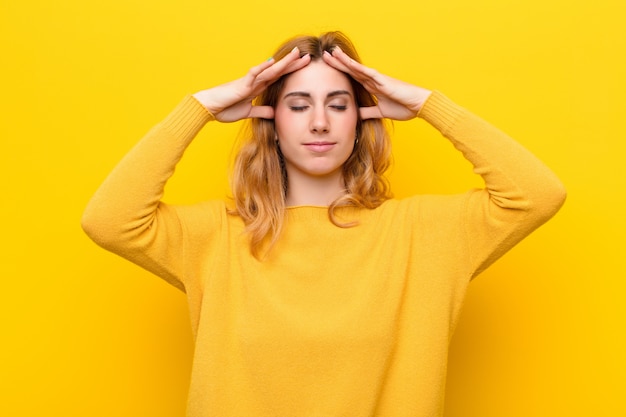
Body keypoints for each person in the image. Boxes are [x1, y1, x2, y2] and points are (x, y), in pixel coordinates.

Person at [82, 31, 566, 417]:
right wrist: (200, 109)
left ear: (362, 118)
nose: (319, 123)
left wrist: (427, 105)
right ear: (269, 118)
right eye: (298, 105)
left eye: (338, 104)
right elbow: (110, 221)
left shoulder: (423, 233)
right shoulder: (219, 236)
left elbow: (537, 195)